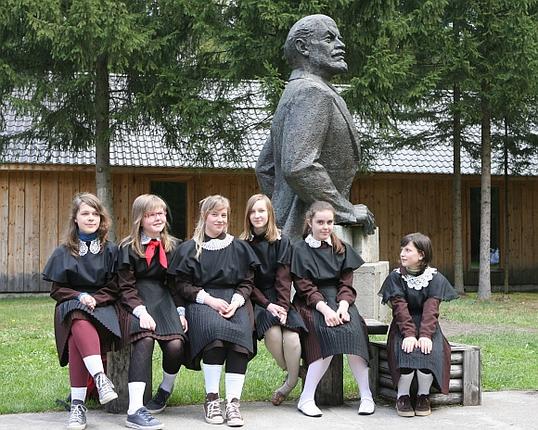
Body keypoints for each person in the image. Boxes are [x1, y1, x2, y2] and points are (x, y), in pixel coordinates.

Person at [255, 14, 375, 240]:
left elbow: (265, 167)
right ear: (303, 47)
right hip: (308, 239)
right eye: (330, 39)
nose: (341, 45)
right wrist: (345, 210)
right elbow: (300, 167)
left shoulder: (294, 91)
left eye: (339, 38)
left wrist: (281, 210)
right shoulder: (312, 92)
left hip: (295, 233)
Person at [169, 195, 260, 427]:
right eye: (215, 215)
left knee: (240, 337)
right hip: (201, 301)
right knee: (214, 334)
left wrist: (238, 301)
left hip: (234, 300)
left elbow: (248, 281)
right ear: (204, 216)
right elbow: (181, 285)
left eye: (224, 215)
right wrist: (209, 300)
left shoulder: (239, 247)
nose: (220, 220)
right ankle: (211, 399)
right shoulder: (189, 248)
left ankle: (232, 403)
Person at [43, 192, 121, 430]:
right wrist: (80, 296)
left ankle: (78, 406)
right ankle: (100, 378)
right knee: (76, 316)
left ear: (101, 218)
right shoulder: (63, 251)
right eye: (85, 214)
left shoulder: (111, 251)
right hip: (71, 304)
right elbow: (57, 290)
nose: (90, 218)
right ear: (75, 219)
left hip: (103, 308)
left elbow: (116, 287)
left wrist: (95, 298)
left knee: (77, 334)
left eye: (95, 214)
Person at [291, 201, 375, 417]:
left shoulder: (341, 248)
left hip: (340, 301)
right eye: (320, 222)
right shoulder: (299, 250)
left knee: (354, 333)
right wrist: (326, 311)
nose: (325, 227)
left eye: (329, 222)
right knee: (326, 335)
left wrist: (344, 307)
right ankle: (306, 398)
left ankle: (366, 395)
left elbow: (346, 284)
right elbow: (304, 288)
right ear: (310, 222)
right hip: (311, 303)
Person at [117, 194, 187, 430]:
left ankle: (164, 390)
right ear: (140, 218)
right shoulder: (127, 248)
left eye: (161, 213)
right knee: (145, 340)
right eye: (151, 214)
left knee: (176, 345)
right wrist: (140, 312)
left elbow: (176, 283)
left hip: (164, 301)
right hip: (134, 302)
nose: (158, 218)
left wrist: (180, 311)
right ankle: (135, 410)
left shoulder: (173, 246)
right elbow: (125, 287)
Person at [379, 232, 458, 417]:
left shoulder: (435, 278)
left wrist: (425, 336)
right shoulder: (395, 277)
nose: (402, 254)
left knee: (428, 350)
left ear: (421, 255)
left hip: (428, 326)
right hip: (402, 325)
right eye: (402, 250)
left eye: (408, 250)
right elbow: (399, 308)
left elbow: (431, 310)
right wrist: (408, 334)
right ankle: (403, 396)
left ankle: (423, 395)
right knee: (405, 351)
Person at [239, 194, 306, 406]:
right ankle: (291, 368)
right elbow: (247, 283)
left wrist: (283, 307)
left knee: (292, 338)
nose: (257, 215)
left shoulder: (282, 241)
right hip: (257, 299)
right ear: (248, 216)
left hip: (281, 296)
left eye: (262, 211)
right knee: (274, 333)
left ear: (270, 214)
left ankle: (290, 382)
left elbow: (284, 278)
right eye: (253, 211)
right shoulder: (242, 244)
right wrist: (268, 305)